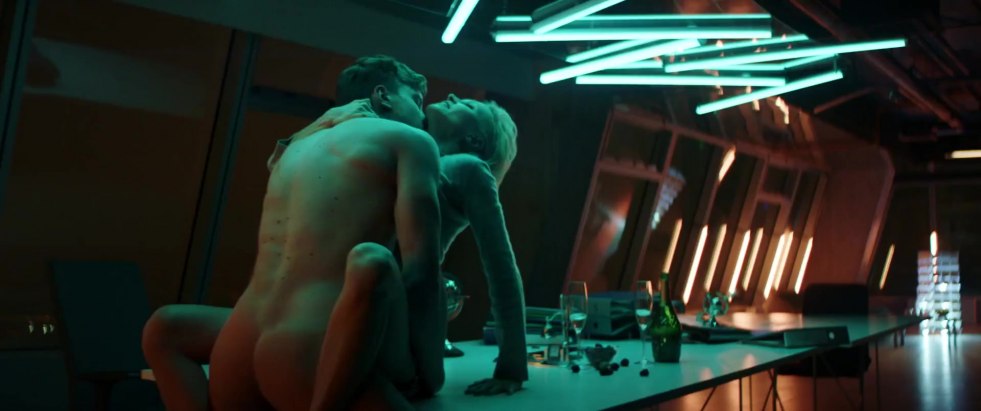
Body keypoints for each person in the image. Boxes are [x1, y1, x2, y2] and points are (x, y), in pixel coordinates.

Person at [143, 56, 528, 409]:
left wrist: (511, 363)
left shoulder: (459, 166)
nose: (452, 95)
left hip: (284, 335)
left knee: (368, 268)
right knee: (370, 265)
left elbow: (498, 268)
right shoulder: (403, 147)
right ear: (384, 98)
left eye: (469, 107)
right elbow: (415, 272)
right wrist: (429, 374)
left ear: (475, 140)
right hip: (326, 331)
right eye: (416, 97)